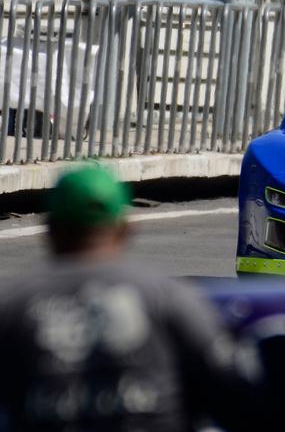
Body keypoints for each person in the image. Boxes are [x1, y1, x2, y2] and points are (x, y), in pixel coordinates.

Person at [0, 166, 265, 431]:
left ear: (51, 230)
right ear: (125, 229)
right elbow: (234, 389)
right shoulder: (166, 297)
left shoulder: (13, 305)